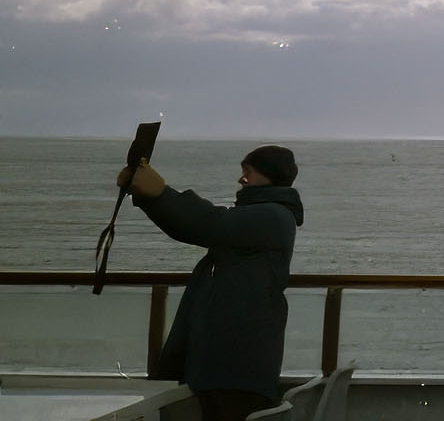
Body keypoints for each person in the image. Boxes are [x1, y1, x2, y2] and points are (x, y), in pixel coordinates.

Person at [117, 145, 305, 421]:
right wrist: (147, 195)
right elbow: (195, 226)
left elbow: (207, 223)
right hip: (234, 359)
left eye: (248, 172)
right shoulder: (267, 216)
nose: (241, 179)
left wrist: (159, 192)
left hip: (237, 363)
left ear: (269, 176)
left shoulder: (271, 217)